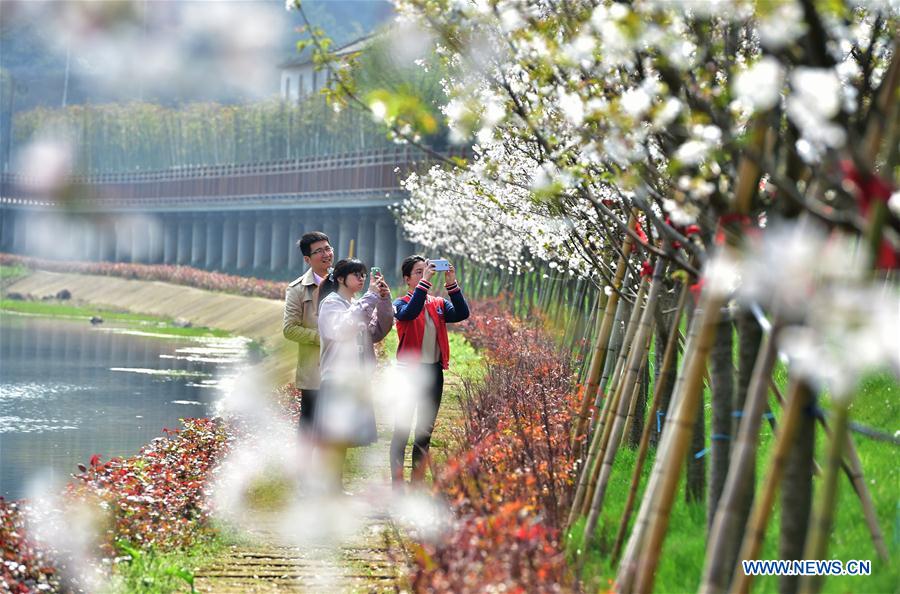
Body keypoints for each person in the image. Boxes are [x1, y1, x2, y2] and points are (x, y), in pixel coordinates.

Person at [390, 256, 469, 487]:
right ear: (407, 279)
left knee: (424, 432)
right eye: (418, 272)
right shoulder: (400, 302)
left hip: (433, 374)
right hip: (408, 375)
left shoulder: (439, 304)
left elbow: (462, 313)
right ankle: (397, 483)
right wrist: (424, 283)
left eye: (427, 270)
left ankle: (416, 483)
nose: (425, 274)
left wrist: (451, 283)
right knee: (402, 430)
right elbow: (410, 314)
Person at [315, 258, 393, 492]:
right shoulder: (331, 303)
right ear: (341, 278)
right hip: (337, 378)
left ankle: (333, 487)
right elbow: (341, 329)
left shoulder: (358, 303)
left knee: (344, 436)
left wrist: (384, 300)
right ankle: (328, 488)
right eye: (356, 275)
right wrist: (369, 298)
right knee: (334, 437)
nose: (361, 279)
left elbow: (378, 331)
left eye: (363, 275)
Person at [283, 231, 334, 430]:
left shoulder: (344, 283)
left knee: (337, 433)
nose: (326, 254)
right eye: (319, 251)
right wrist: (324, 338)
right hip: (315, 373)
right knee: (309, 431)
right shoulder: (297, 289)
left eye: (328, 248)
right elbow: (289, 329)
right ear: (307, 259)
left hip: (342, 371)